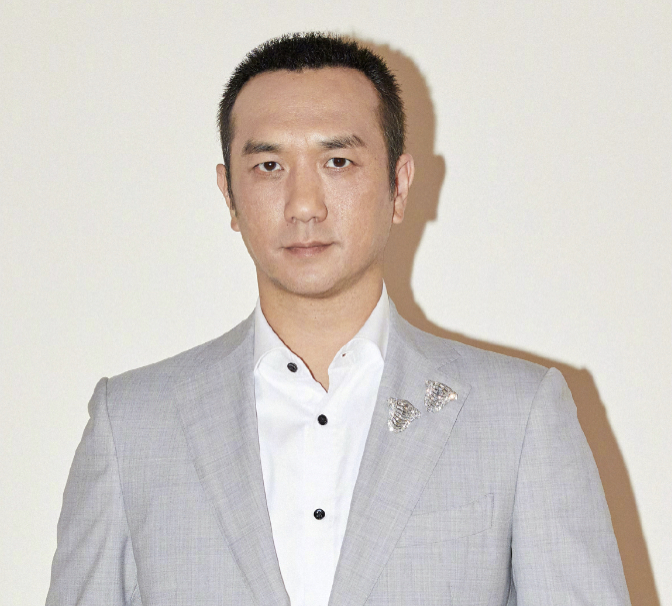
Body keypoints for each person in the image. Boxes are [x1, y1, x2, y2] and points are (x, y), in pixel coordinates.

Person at [47, 32, 631, 606]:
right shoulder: (131, 427)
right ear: (228, 194)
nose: (304, 204)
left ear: (399, 185)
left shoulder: (519, 416)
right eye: (269, 165)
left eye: (338, 161)